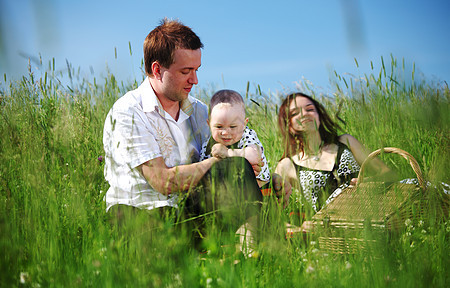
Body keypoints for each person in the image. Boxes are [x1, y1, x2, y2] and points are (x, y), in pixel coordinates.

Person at [102, 19, 289, 249]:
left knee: (240, 174)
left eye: (196, 70)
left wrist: (266, 177)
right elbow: (163, 182)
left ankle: (262, 258)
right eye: (185, 71)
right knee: (230, 166)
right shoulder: (128, 112)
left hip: (184, 212)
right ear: (157, 70)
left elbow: (238, 158)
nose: (195, 80)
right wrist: (220, 161)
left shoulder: (201, 112)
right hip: (140, 218)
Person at [274, 92, 395, 230]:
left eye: (310, 109)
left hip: (372, 223)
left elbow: (390, 175)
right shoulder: (287, 165)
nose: (304, 114)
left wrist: (370, 183)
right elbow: (271, 215)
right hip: (329, 235)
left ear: (319, 116)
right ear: (288, 125)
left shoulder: (346, 142)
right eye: (295, 113)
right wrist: (299, 229)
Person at [199, 89, 271, 189]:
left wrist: (227, 153)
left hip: (259, 190)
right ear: (209, 124)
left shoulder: (246, 135)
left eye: (232, 127)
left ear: (244, 124)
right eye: (219, 127)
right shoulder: (207, 145)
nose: (225, 133)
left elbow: (255, 156)